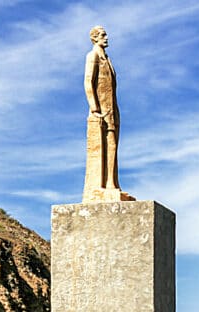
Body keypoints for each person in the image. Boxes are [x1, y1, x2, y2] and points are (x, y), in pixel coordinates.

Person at [84, 25, 120, 192]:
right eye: (103, 35)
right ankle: (106, 184)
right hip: (101, 108)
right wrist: (94, 107)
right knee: (107, 143)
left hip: (112, 107)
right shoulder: (93, 57)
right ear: (95, 38)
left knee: (113, 145)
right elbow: (88, 82)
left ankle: (112, 181)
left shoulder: (108, 59)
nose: (106, 38)